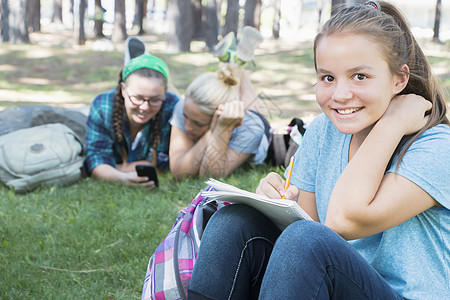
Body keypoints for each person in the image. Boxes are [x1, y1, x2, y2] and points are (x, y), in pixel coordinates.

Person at [187, 1, 449, 299]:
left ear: (399, 79)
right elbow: (302, 224)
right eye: (327, 77)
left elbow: (343, 220)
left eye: (360, 76)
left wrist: (391, 124)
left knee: (307, 240)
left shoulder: (437, 148)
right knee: (234, 223)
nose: (340, 95)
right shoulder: (324, 130)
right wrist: (274, 203)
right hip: (328, 285)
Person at [169, 28, 269, 180]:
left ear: (219, 114)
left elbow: (209, 176)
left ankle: (237, 66)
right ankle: (236, 63)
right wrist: (211, 132)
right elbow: (179, 172)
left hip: (253, 122)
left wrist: (222, 127)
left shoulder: (251, 128)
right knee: (233, 81)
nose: (187, 126)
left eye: (197, 123)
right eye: (185, 117)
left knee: (256, 111)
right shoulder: (184, 107)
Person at [84, 54, 179, 188]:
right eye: (138, 98)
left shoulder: (172, 106)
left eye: (155, 99)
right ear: (123, 89)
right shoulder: (102, 106)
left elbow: (169, 163)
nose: (145, 107)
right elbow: (95, 160)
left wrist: (116, 167)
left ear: (165, 94)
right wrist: (122, 177)